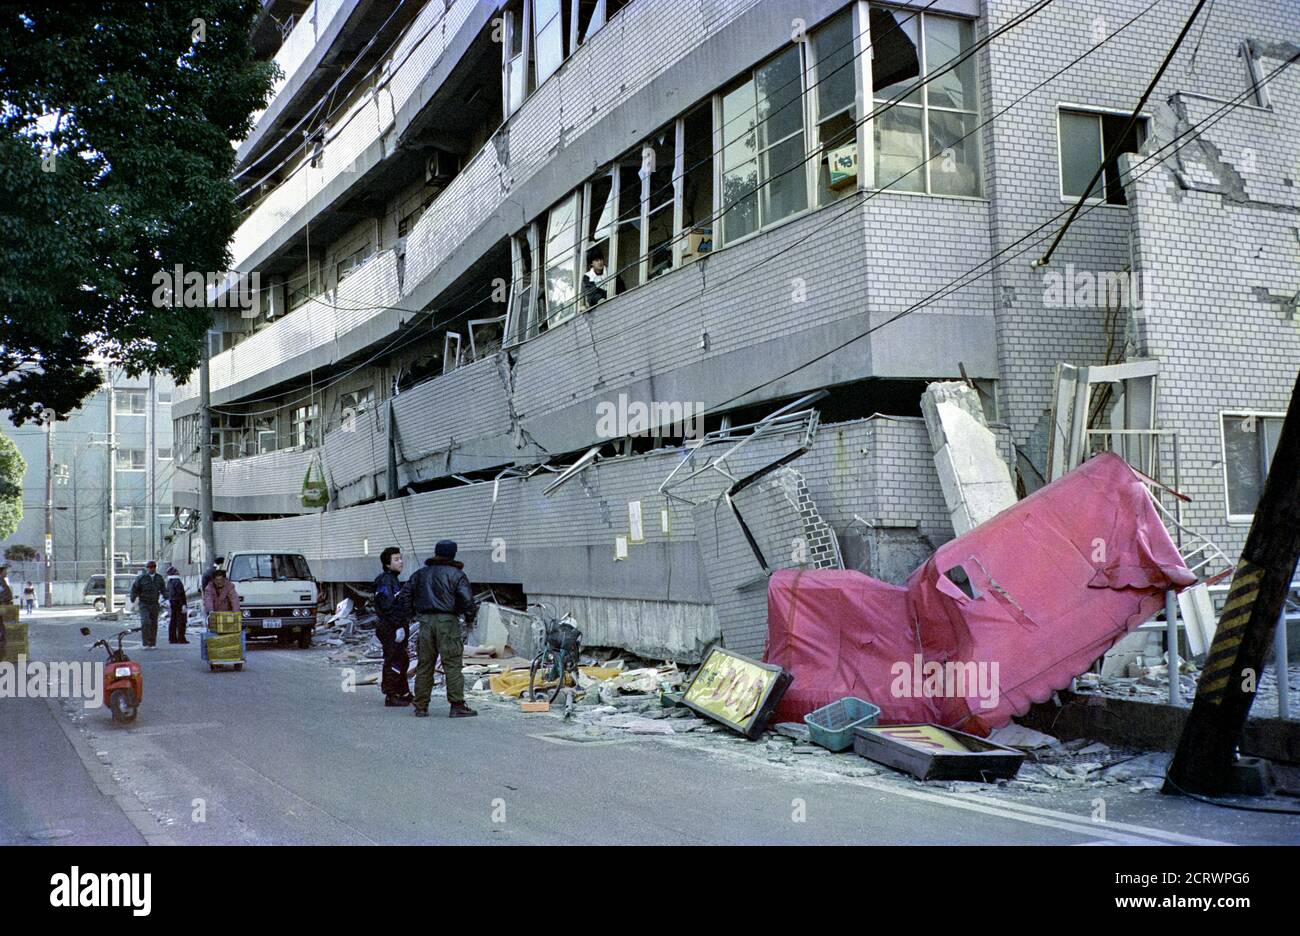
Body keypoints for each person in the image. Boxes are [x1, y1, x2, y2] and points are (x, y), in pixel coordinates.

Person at [410, 540, 477, 718]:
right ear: (453, 554)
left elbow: (405, 596)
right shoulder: (457, 574)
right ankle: (457, 705)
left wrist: (411, 615)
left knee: (425, 664)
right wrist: (469, 619)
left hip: (424, 621)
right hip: (448, 621)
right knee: (452, 664)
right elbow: (468, 600)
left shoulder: (420, 574)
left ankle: (421, 706)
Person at [372, 547, 413, 707]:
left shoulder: (393, 580)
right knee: (394, 660)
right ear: (387, 564)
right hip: (390, 627)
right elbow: (388, 606)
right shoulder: (386, 581)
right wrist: (398, 626)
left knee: (401, 659)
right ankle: (391, 695)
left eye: (401, 558)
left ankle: (403, 692)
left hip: (394, 625)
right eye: (396, 559)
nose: (401, 562)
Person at [130, 561, 166, 649]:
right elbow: (135, 588)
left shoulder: (159, 578)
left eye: (153, 567)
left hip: (154, 603)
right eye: (149, 567)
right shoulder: (141, 578)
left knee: (154, 623)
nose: (151, 569)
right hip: (144, 603)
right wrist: (133, 598)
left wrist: (167, 598)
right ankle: (145, 643)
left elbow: (163, 589)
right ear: (147, 568)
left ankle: (152, 643)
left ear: (155, 568)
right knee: (145, 622)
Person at [165, 566, 189, 644]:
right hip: (179, 603)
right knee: (181, 621)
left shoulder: (169, 582)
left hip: (172, 602)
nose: (178, 571)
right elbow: (181, 594)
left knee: (173, 621)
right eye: (176, 570)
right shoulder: (178, 581)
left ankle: (172, 639)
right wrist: (183, 605)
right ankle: (181, 639)